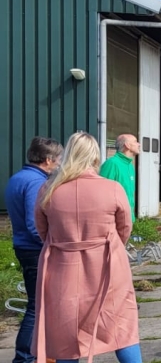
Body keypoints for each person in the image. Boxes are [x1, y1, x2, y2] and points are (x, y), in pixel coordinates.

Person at [33, 131, 140, 363]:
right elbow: (125, 228)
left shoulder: (48, 190)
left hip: (62, 267)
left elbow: (43, 230)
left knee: (65, 330)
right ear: (95, 156)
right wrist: (109, 246)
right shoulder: (112, 189)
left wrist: (64, 244)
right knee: (122, 325)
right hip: (108, 265)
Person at [4, 136, 61, 363]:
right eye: (57, 160)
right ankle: (24, 357)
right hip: (35, 250)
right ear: (47, 160)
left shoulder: (18, 177)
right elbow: (33, 223)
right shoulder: (37, 182)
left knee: (36, 305)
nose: (58, 165)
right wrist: (52, 245)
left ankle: (33, 355)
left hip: (23, 247)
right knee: (37, 307)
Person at [99, 133, 140, 221]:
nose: (139, 144)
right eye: (135, 142)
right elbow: (102, 193)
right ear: (127, 145)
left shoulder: (130, 166)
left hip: (127, 218)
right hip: (115, 220)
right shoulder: (112, 164)